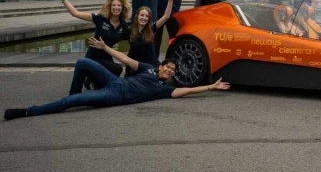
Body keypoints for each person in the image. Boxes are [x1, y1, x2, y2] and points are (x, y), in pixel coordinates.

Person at [3, 39, 231, 121]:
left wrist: (211, 86)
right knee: (83, 62)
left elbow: (186, 92)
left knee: (70, 104)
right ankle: (74, 94)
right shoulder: (149, 68)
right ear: (161, 66)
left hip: (116, 95)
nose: (170, 71)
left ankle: (27, 111)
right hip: (114, 80)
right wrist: (105, 48)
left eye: (172, 71)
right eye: (168, 67)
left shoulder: (164, 88)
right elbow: (125, 58)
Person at [51, 0, 130, 83]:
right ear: (109, 7)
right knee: (112, 74)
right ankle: (91, 77)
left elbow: (132, 39)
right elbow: (75, 13)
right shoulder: (100, 18)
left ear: (122, 8)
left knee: (116, 71)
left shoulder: (123, 25)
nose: (116, 7)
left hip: (107, 57)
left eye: (119, 5)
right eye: (113, 5)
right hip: (93, 56)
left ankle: (91, 79)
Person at [124, 0, 178, 76]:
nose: (144, 18)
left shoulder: (152, 28)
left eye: (146, 16)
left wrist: (170, 1)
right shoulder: (130, 30)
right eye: (142, 15)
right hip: (134, 64)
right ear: (137, 16)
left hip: (150, 63)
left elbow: (166, 16)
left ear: (149, 19)